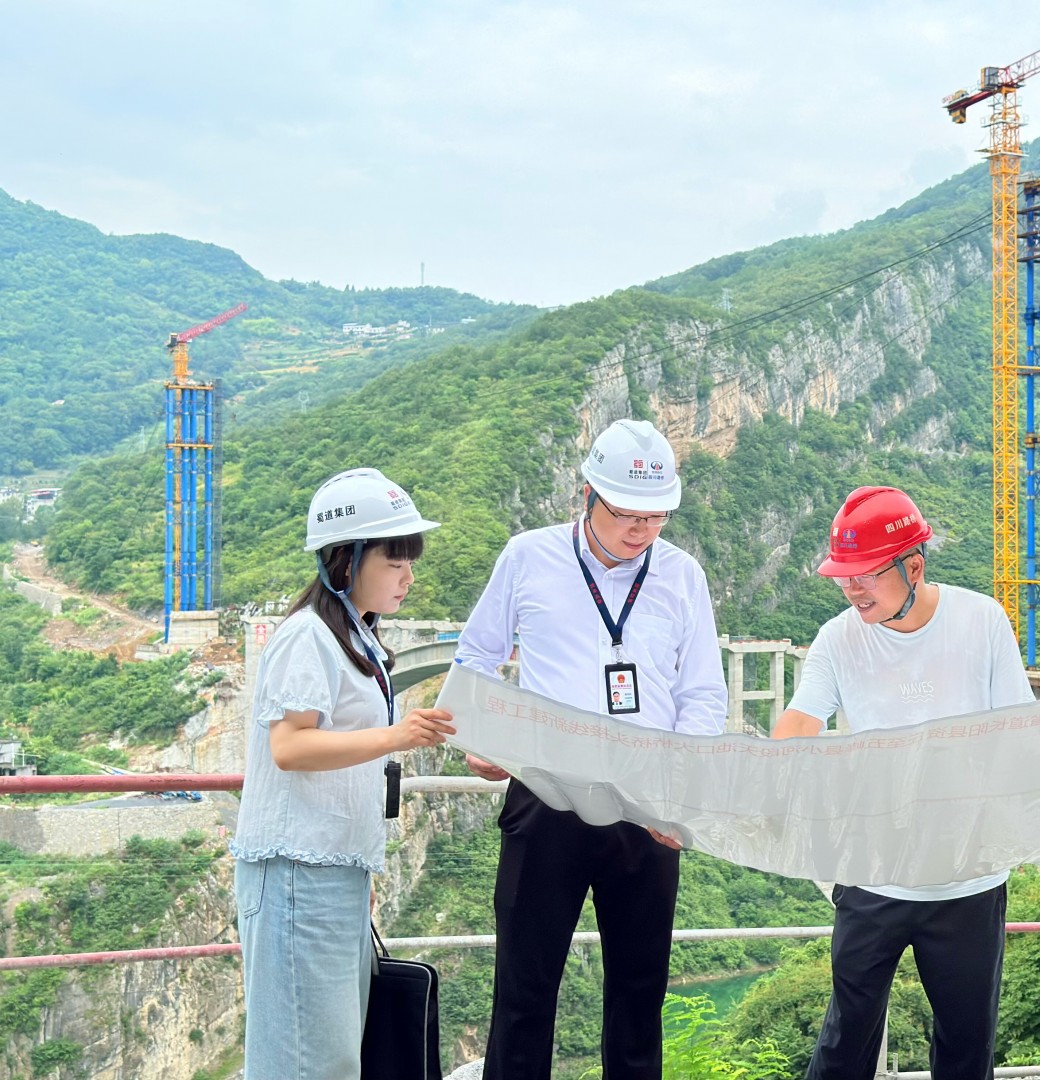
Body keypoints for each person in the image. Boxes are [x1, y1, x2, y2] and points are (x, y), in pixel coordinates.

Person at [456, 418, 727, 1080]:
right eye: (627, 513)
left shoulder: (681, 575)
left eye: (655, 516)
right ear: (587, 496)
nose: (641, 529)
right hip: (546, 790)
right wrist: (480, 737)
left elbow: (701, 694)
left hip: (646, 799)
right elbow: (476, 658)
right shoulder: (528, 557)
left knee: (639, 989)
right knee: (524, 985)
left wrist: (678, 791)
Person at [771, 486, 1033, 1080]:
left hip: (967, 876)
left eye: (866, 574)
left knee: (966, 1047)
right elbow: (800, 721)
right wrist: (771, 769)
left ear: (913, 566)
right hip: (872, 873)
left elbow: (1019, 734)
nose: (852, 589)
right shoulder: (839, 638)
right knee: (845, 1043)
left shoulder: (981, 621)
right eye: (844, 576)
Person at [231, 468, 456, 1080]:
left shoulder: (354, 634)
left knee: (332, 1055)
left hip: (331, 869)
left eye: (410, 561)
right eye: (394, 561)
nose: (408, 576)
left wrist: (358, 868)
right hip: (296, 871)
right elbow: (290, 747)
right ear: (345, 559)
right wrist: (399, 735)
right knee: (304, 1060)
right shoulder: (307, 635)